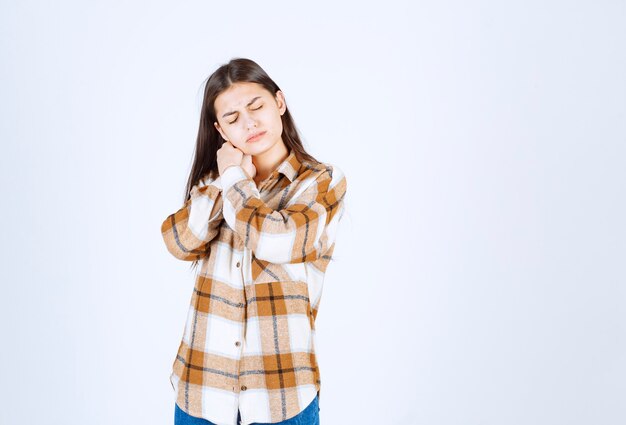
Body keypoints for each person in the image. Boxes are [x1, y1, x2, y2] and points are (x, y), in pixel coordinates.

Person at [161, 57, 348, 425]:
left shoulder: (321, 182)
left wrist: (235, 181)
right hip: (202, 390)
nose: (248, 123)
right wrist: (225, 180)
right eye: (232, 118)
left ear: (279, 103)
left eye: (256, 106)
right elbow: (179, 242)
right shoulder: (215, 183)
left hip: (281, 394)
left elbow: (275, 240)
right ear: (220, 130)